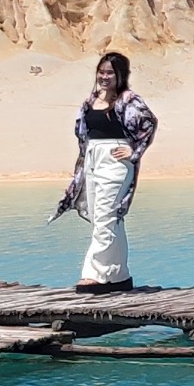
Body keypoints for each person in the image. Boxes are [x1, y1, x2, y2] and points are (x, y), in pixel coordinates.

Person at [53, 52, 157, 294]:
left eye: (110, 72)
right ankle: (119, 275)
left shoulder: (129, 100)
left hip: (115, 162)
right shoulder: (91, 100)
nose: (104, 77)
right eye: (101, 72)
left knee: (105, 216)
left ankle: (94, 274)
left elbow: (149, 123)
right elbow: (83, 131)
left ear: (120, 75)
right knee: (107, 218)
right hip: (93, 160)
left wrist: (133, 150)